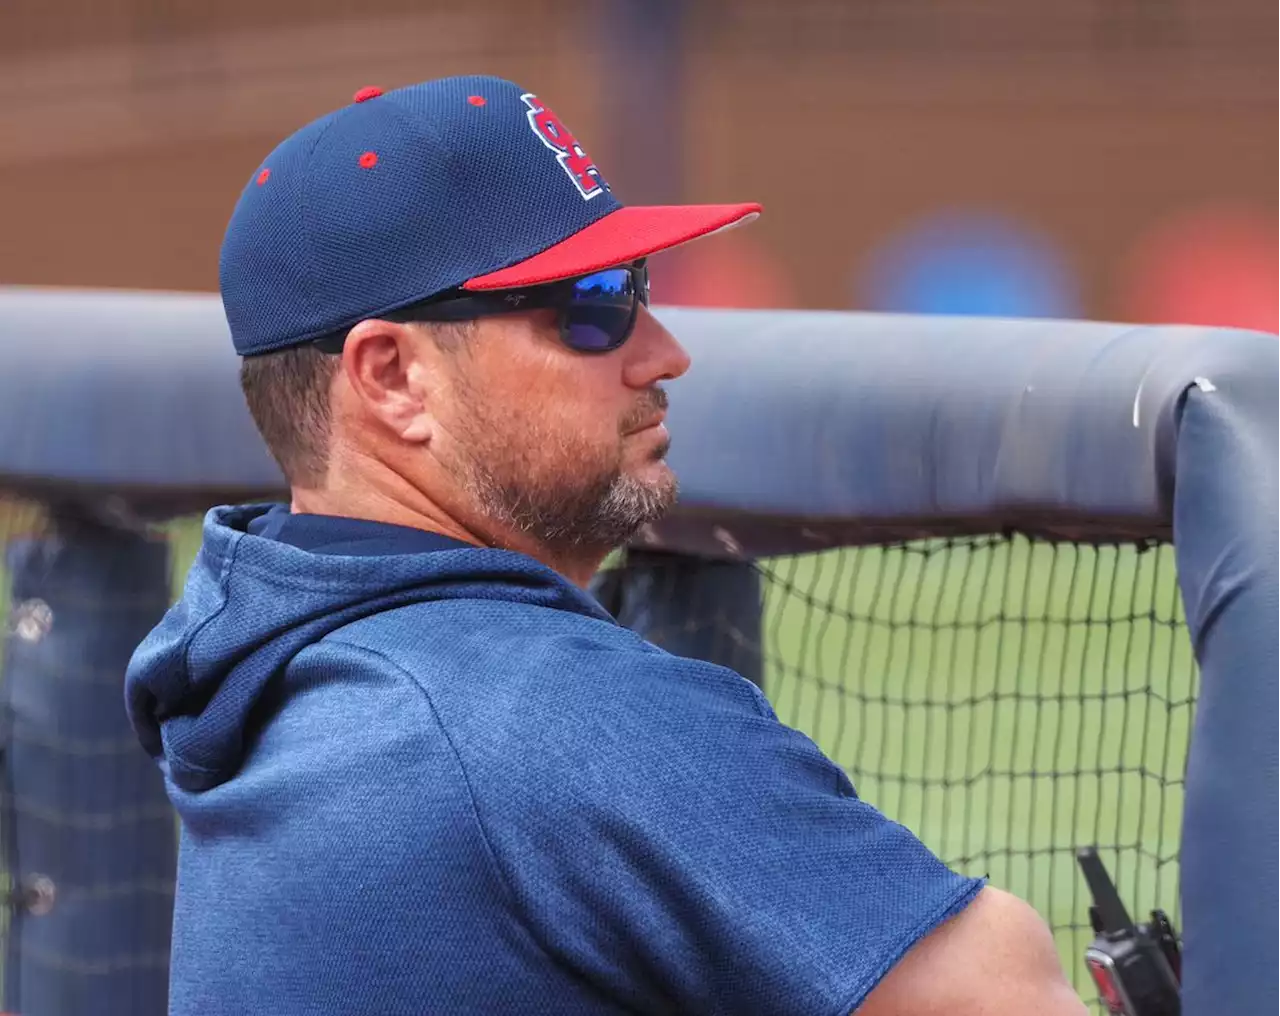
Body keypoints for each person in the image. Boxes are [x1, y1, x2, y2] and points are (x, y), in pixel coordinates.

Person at [126, 75, 1086, 1015]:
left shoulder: (264, 666)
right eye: (592, 305)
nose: (664, 351)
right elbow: (1002, 995)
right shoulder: (542, 716)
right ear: (392, 377)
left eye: (638, 284)